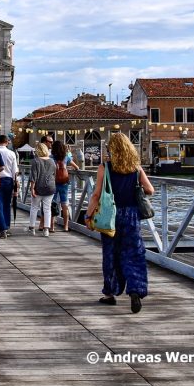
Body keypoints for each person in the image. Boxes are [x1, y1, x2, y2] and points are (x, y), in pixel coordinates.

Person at [87, 133, 154, 313]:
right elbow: (150, 190)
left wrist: (88, 215)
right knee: (134, 253)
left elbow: (96, 194)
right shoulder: (136, 168)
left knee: (111, 254)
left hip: (111, 216)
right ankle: (135, 290)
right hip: (131, 215)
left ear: (111, 150)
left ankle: (110, 293)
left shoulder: (105, 167)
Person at [28, 143, 57, 237]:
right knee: (47, 209)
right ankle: (46, 230)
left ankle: (32, 228)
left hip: (38, 187)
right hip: (50, 187)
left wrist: (32, 188)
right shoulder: (52, 161)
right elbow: (54, 174)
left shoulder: (35, 161)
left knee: (34, 207)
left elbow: (33, 177)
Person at [0, 135, 18, 238]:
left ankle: (2, 229)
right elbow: (15, 171)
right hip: (9, 180)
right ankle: (6, 226)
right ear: (6, 142)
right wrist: (16, 184)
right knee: (7, 204)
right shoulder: (11, 153)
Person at [51, 140, 79, 231]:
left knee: (53, 204)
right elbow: (77, 167)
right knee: (65, 205)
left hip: (53, 183)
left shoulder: (51, 158)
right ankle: (66, 226)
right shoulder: (66, 157)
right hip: (64, 183)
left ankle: (52, 227)